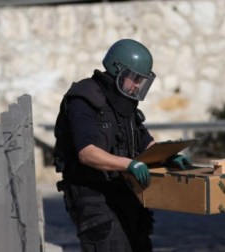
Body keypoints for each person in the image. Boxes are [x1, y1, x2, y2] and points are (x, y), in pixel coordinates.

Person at [52, 38, 191, 252]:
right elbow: (86, 153)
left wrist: (167, 156)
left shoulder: (124, 101)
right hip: (92, 194)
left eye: (141, 81)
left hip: (125, 191)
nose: (137, 85)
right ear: (117, 69)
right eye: (134, 78)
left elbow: (145, 140)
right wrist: (129, 164)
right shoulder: (84, 98)